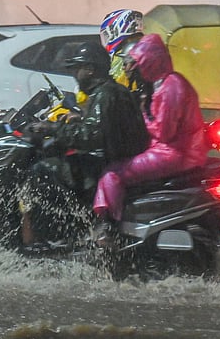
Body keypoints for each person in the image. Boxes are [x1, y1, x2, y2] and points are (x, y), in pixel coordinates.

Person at [19, 42, 150, 249]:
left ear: (90, 69)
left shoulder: (106, 94)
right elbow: (100, 127)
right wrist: (72, 121)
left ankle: (63, 233)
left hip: (113, 162)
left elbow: (92, 135)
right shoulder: (110, 92)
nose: (75, 75)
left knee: (43, 171)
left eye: (77, 69)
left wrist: (52, 129)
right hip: (116, 157)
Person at [93, 33, 210, 227]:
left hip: (175, 153)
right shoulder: (164, 84)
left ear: (149, 62)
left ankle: (109, 228)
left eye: (135, 63)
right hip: (176, 150)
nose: (130, 68)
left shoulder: (172, 87)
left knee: (111, 174)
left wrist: (140, 118)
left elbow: (164, 131)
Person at [100, 9, 144, 87]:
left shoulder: (121, 56)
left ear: (115, 31)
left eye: (106, 35)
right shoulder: (146, 49)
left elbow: (115, 85)